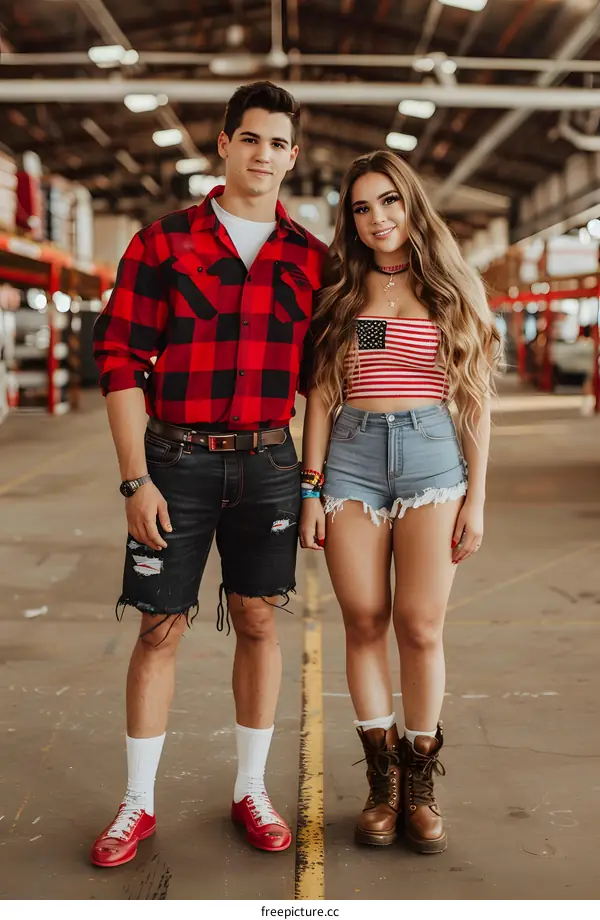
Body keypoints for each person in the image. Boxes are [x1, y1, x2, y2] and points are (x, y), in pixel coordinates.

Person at [90, 81, 327, 867]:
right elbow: (120, 360)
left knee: (259, 621)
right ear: (223, 144)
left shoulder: (310, 258)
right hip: (176, 462)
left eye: (278, 143)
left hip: (268, 463)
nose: (264, 154)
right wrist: (135, 479)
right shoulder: (161, 243)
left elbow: (324, 382)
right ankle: (137, 803)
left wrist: (316, 481)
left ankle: (251, 789)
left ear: (293, 158)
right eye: (250, 138)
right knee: (161, 626)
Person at [299, 150, 502, 854]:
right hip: (352, 459)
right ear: (349, 221)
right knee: (363, 618)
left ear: (411, 203)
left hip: (431, 463)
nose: (377, 218)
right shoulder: (345, 293)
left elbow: (474, 400)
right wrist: (311, 487)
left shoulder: (450, 288)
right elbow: (325, 392)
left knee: (419, 624)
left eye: (388, 201)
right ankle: (381, 784)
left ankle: (420, 782)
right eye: (361, 208)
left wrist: (477, 496)